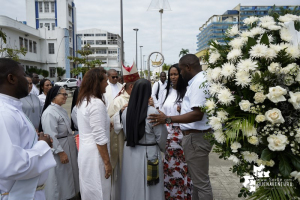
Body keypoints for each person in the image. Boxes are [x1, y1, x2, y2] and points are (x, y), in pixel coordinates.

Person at [149, 54, 213, 200]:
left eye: (180, 71)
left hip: (196, 137)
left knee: (201, 183)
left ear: (188, 67)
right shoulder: (196, 82)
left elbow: (197, 114)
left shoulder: (198, 82)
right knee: (197, 182)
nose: (179, 75)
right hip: (191, 137)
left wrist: (168, 118)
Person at [0, 58, 56, 200]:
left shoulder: (12, 108)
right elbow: (13, 165)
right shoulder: (4, 113)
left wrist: (34, 141)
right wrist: (43, 145)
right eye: (23, 74)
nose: (28, 80)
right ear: (11, 78)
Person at [120, 79, 168, 200]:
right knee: (151, 187)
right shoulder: (152, 112)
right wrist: (162, 148)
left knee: (132, 185)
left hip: (130, 152)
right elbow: (161, 136)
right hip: (149, 152)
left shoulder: (126, 112)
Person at [76, 67, 112, 200]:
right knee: (100, 190)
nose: (107, 84)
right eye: (105, 81)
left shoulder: (83, 100)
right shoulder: (96, 103)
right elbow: (99, 137)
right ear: (97, 83)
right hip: (96, 154)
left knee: (89, 190)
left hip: (85, 152)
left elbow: (89, 126)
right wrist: (107, 163)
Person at [158, 64, 192, 199]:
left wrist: (181, 111)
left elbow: (191, 113)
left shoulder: (187, 92)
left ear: (181, 75)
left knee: (182, 167)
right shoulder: (167, 91)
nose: (172, 77)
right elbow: (164, 112)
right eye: (170, 75)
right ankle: (170, 195)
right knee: (169, 167)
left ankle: (182, 194)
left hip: (181, 133)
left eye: (175, 74)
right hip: (168, 134)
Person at [107, 63, 140, 200]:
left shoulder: (141, 99)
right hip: (122, 141)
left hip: (139, 143)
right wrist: (120, 113)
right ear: (131, 87)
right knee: (124, 172)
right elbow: (109, 121)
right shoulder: (119, 101)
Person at [41, 86, 80, 200]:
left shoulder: (61, 109)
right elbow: (51, 135)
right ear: (54, 96)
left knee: (70, 172)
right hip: (60, 147)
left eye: (66, 94)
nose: (66, 97)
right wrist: (60, 152)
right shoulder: (49, 113)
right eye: (63, 94)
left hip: (68, 144)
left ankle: (71, 194)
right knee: (60, 176)